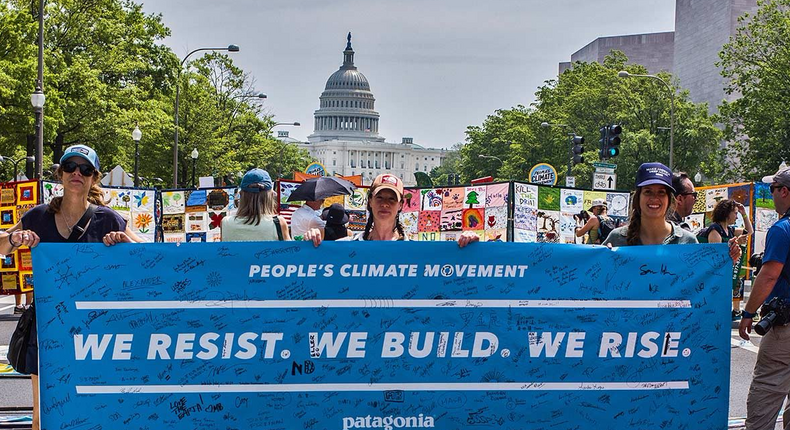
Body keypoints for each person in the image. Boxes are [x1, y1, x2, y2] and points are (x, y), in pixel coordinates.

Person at [0, 144, 140, 430]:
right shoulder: (37, 217)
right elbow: (1, 245)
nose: (77, 173)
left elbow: (149, 255)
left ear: (93, 178)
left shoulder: (109, 219)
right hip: (48, 329)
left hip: (95, 331)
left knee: (95, 405)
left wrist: (126, 245)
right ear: (60, 174)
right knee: (43, 414)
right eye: (70, 167)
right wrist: (15, 240)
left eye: (85, 169)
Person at [603, 162, 741, 264]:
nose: (654, 198)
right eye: (648, 191)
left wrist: (728, 261)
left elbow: (702, 283)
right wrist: (601, 259)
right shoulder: (617, 238)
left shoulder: (688, 241)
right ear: (638, 197)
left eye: (661, 192)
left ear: (670, 200)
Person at [738, 166, 790, 430]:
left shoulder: (782, 229)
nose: (771, 195)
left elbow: (769, 276)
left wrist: (748, 313)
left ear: (784, 191)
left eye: (772, 190)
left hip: (785, 329)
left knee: (766, 395)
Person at [304, 173, 478, 247]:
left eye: (391, 199)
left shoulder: (415, 251)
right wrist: (309, 245)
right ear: (370, 201)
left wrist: (470, 245)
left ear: (401, 205)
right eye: (380, 197)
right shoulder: (346, 247)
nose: (385, 204)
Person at [699, 199, 754, 319]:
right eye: (735, 213)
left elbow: (749, 231)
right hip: (713, 278)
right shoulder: (714, 229)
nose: (736, 216)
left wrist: (744, 213)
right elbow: (716, 255)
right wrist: (734, 243)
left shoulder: (729, 230)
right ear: (726, 213)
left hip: (723, 277)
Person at [221, 168, 291, 241]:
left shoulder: (226, 223)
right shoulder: (278, 223)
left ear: (241, 195)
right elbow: (292, 251)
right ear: (270, 196)